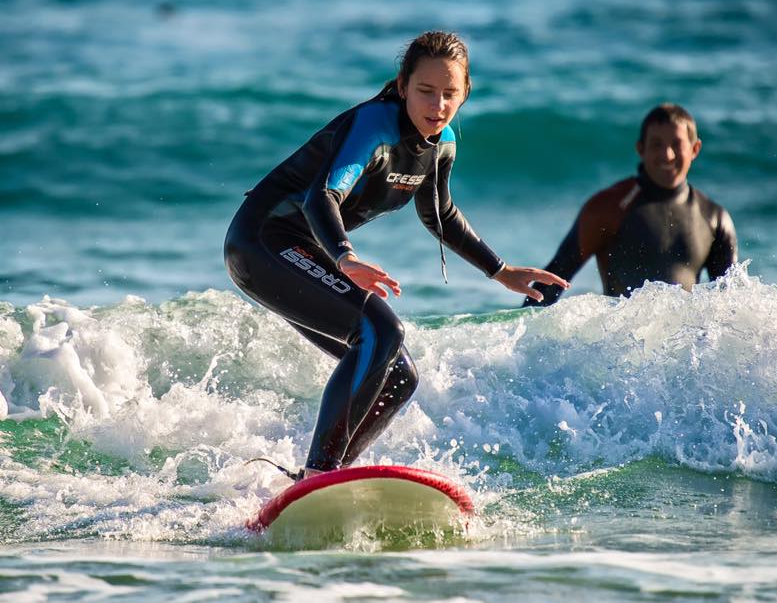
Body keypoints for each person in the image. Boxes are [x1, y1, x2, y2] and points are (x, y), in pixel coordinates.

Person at [225, 31, 568, 479]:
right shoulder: (374, 125)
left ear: (465, 94)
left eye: (450, 94)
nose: (438, 104)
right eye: (426, 91)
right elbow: (322, 197)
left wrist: (500, 271)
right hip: (263, 241)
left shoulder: (442, 144)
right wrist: (345, 257)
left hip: (304, 249)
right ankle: (318, 473)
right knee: (380, 330)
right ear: (403, 85)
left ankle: (320, 481)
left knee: (399, 376)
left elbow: (440, 212)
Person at [523, 103, 737, 307]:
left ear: (695, 149)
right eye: (657, 145)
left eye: (676, 144)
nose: (667, 154)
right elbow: (555, 276)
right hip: (623, 344)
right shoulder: (609, 207)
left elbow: (728, 303)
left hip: (684, 344)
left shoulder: (714, 218)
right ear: (640, 149)